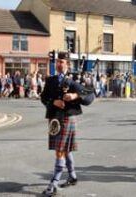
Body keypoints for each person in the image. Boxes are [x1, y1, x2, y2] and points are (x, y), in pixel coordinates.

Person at [40, 52, 94, 196]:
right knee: (65, 149)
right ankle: (72, 176)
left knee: (60, 150)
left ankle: (54, 183)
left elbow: (90, 95)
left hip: (67, 118)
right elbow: (43, 97)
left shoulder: (75, 79)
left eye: (62, 61)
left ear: (67, 64)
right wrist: (53, 102)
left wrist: (75, 95)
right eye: (57, 61)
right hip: (54, 118)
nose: (59, 64)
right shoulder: (50, 80)